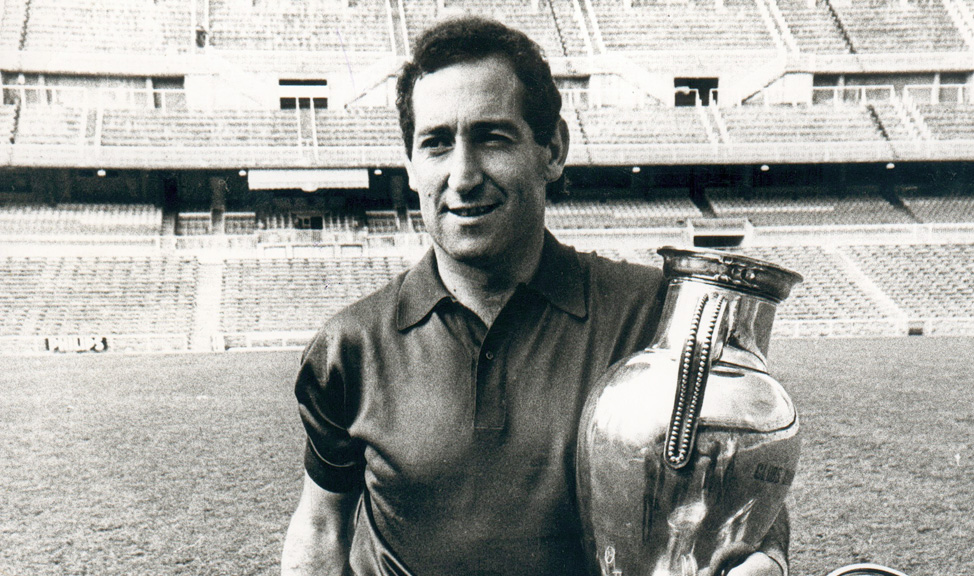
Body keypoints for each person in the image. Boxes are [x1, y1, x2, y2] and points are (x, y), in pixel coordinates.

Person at [281, 16, 789, 576]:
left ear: (552, 149)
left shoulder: (655, 319)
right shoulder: (349, 347)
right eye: (436, 143)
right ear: (410, 165)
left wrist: (767, 560)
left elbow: (739, 500)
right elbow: (322, 525)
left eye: (492, 138)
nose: (463, 176)